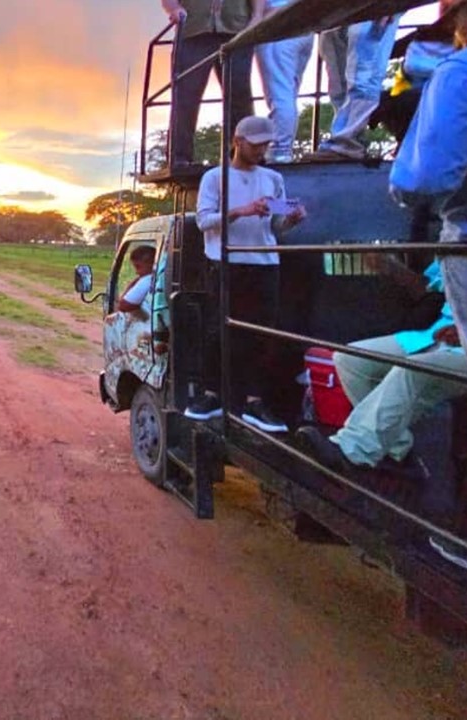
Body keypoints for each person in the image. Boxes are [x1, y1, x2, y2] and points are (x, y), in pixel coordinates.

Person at [184, 115, 307, 432]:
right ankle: (212, 395)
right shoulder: (215, 178)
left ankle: (254, 401)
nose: (262, 151)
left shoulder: (273, 178)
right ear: (237, 142)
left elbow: (276, 226)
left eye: (266, 145)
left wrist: (292, 218)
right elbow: (203, 221)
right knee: (218, 329)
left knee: (261, 334)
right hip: (226, 263)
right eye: (256, 145)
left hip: (265, 264)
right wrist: (241, 210)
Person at [298, 258, 467, 471]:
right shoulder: (456, 239)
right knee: (350, 358)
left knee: (413, 369)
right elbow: (428, 287)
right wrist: (391, 265)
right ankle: (397, 449)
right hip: (437, 334)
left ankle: (353, 451)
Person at [391, 0, 467, 374]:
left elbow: (425, 178)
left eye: (455, 23)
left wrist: (401, 190)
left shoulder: (462, 72)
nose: (456, 36)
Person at [160, 0, 261, 168]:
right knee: (185, 97)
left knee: (239, 94)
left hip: (236, 30)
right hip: (193, 30)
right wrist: (174, 8)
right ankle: (179, 157)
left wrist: (257, 16)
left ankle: (243, 155)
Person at [309, 15, 404, 160]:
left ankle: (346, 142)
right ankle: (348, 139)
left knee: (363, 76)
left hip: (371, 10)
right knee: (339, 82)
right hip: (335, 11)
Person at [255, 0, 314, 163]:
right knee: (288, 92)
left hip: (278, 24)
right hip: (305, 25)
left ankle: (279, 151)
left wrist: (257, 18)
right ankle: (282, 149)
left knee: (280, 94)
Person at [117, 245, 157, 315]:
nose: (136, 272)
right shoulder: (159, 278)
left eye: (138, 267)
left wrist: (134, 283)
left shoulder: (147, 280)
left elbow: (123, 306)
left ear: (152, 264)